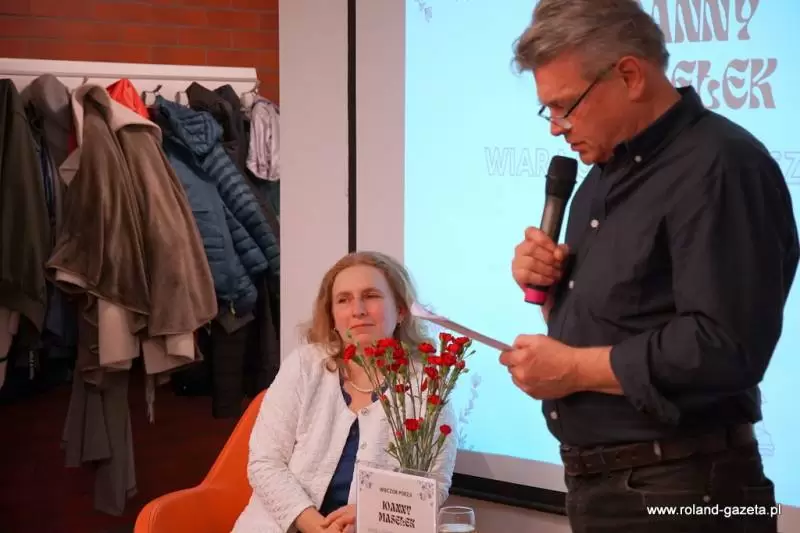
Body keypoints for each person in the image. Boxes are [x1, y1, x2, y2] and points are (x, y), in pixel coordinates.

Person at [500, 1, 799, 532]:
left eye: (565, 106)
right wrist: (549, 289)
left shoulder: (721, 165)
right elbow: (618, 323)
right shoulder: (599, 179)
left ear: (630, 75)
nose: (557, 129)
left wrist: (573, 370)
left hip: (689, 490)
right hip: (607, 487)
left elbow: (725, 346)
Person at [231, 251, 458, 533]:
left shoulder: (428, 384)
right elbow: (264, 462)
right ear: (333, 317)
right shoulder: (304, 365)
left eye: (371, 296)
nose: (357, 310)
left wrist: (371, 513)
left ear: (400, 310)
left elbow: (433, 485)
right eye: (343, 300)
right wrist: (315, 525)